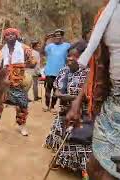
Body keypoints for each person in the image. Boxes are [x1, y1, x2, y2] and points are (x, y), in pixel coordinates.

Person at [67, 0, 120, 179]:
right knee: (96, 168)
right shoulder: (107, 13)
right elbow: (97, 65)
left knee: (118, 172)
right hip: (115, 107)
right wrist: (77, 102)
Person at [44, 41, 91, 178]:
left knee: (83, 140)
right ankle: (61, 160)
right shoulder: (64, 71)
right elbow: (58, 93)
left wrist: (77, 99)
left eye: (74, 56)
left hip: (84, 114)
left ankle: (84, 167)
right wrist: (78, 98)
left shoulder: (89, 74)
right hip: (65, 111)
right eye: (69, 56)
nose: (70, 59)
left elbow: (90, 96)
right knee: (63, 137)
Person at [0, 28, 36, 136]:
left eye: (13, 34)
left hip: (19, 80)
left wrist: (23, 65)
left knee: (22, 105)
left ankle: (21, 125)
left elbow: (33, 62)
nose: (10, 36)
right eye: (7, 34)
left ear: (17, 36)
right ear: (4, 37)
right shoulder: (1, 50)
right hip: (3, 81)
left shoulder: (24, 48)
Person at [43, 29, 71, 113]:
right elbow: (42, 52)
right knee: (48, 90)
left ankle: (52, 106)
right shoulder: (50, 46)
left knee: (56, 91)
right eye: (55, 36)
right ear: (53, 37)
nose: (57, 37)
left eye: (59, 35)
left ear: (62, 37)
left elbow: (72, 53)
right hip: (49, 72)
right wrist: (45, 40)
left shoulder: (67, 46)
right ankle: (47, 105)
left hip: (61, 73)